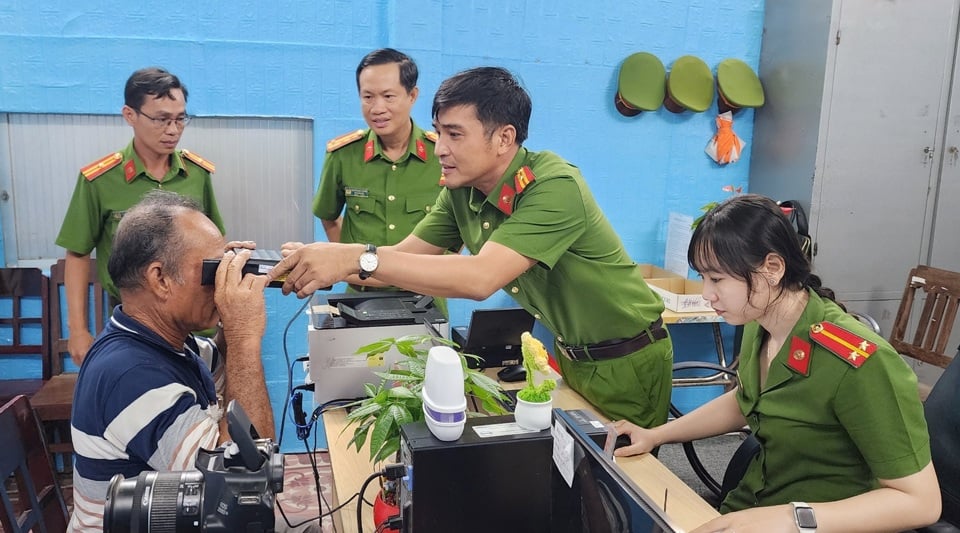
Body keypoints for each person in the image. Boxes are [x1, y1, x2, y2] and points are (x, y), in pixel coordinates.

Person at [271, 66, 674, 430]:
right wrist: (320, 262)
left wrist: (351, 256)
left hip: (627, 358)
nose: (441, 147)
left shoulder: (554, 186)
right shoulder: (462, 193)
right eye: (439, 131)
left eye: (455, 134)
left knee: (627, 484)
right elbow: (404, 257)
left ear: (504, 138)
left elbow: (480, 278)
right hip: (571, 356)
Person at [610, 194, 940, 533]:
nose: (708, 293)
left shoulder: (858, 361)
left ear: (773, 268)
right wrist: (655, 436)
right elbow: (746, 400)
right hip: (754, 506)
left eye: (718, 279)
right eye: (704, 278)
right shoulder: (760, 324)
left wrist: (788, 519)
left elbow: (921, 502)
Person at [68, 191, 272, 533]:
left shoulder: (171, 344)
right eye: (211, 271)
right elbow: (245, 482)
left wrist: (229, 317)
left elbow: (232, 377)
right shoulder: (131, 375)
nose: (221, 282)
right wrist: (245, 335)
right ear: (160, 279)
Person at [55, 66, 225, 366]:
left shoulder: (197, 174)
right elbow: (78, 254)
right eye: (161, 119)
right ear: (130, 115)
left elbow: (216, 247)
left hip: (195, 326)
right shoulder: (101, 180)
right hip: (136, 329)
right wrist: (78, 330)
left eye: (180, 118)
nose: (173, 130)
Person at [313, 48, 441, 249]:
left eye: (388, 96)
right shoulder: (343, 155)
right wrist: (353, 264)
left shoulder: (441, 156)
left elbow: (458, 226)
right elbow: (328, 216)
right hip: (363, 280)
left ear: (412, 95)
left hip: (425, 281)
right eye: (368, 97)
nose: (377, 108)